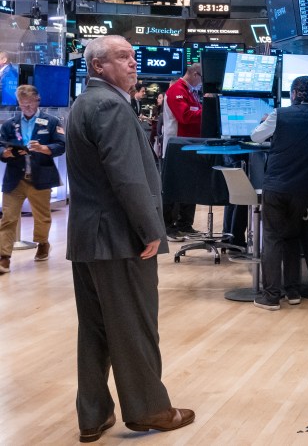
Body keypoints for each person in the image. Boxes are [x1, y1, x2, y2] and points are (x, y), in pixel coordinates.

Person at [66, 35, 194, 440]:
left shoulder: (84, 104)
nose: (132, 63)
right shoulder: (109, 106)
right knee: (136, 325)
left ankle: (93, 415)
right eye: (122, 57)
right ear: (98, 66)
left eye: (133, 56)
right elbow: (128, 177)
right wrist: (151, 230)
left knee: (96, 329)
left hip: (88, 238)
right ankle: (149, 410)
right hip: (120, 239)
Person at [250, 76, 308, 310]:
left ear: (295, 93)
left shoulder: (280, 114)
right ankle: (293, 291)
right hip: (304, 188)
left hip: (277, 185)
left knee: (272, 238)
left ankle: (270, 296)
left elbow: (255, 137)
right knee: (292, 236)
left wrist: (267, 121)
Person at [0, 85, 66, 272]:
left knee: (42, 217)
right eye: (23, 104)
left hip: (41, 176)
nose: (27, 108)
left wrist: (45, 149)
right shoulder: (9, 124)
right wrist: (5, 153)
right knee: (8, 218)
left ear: (38, 100)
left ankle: (43, 243)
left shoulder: (51, 121)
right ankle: (4, 256)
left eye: (30, 104)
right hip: (15, 178)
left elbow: (61, 145)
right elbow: (0, 147)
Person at [162, 64, 203, 239]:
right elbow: (185, 116)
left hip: (191, 145)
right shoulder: (176, 90)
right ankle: (168, 227)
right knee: (173, 189)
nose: (202, 82)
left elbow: (195, 112)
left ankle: (185, 224)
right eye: (201, 78)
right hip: (177, 146)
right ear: (194, 73)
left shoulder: (191, 93)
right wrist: (207, 110)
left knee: (190, 187)